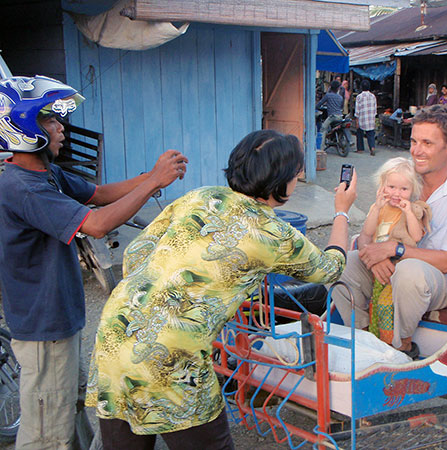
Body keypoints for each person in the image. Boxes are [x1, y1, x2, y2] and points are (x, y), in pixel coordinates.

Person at [85, 130, 357, 449]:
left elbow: (136, 254)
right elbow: (331, 267)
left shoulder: (200, 197)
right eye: (295, 174)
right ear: (282, 182)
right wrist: (342, 210)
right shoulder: (272, 233)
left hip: (117, 333)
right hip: (174, 355)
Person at [0, 75, 188, 449]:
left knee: (68, 411)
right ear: (23, 127)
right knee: (45, 435)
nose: (61, 129)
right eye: (51, 121)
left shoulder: (46, 174)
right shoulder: (22, 187)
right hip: (43, 329)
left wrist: (152, 175)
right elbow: (98, 224)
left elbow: (100, 194)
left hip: (58, 321)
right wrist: (152, 184)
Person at [331, 104, 447, 359]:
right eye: (414, 141)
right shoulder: (401, 179)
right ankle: (363, 339)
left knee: (409, 271)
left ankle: (400, 346)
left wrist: (394, 250)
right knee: (341, 263)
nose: (417, 151)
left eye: (427, 143)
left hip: (437, 282)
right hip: (390, 267)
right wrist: (374, 256)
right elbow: (374, 232)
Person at [360, 157, 427, 345]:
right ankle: (373, 340)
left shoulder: (412, 210)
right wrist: (376, 208)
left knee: (386, 304)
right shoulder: (379, 208)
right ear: (382, 186)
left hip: (398, 265)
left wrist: (408, 213)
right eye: (391, 187)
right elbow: (367, 231)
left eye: (404, 189)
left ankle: (390, 343)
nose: (396, 193)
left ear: (412, 190)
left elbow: (416, 237)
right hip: (378, 264)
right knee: (374, 303)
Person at [316, 79, 344, 151]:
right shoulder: (340, 97)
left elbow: (320, 103)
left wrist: (316, 107)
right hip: (340, 116)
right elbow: (341, 107)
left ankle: (320, 149)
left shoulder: (328, 95)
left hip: (332, 117)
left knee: (323, 129)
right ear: (338, 88)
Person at [355, 79, 377, 155]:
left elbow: (357, 111)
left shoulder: (359, 97)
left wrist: (357, 121)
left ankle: (360, 149)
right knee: (371, 134)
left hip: (362, 119)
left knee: (359, 133)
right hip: (370, 119)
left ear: (361, 87)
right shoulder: (373, 96)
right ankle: (372, 147)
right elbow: (375, 109)